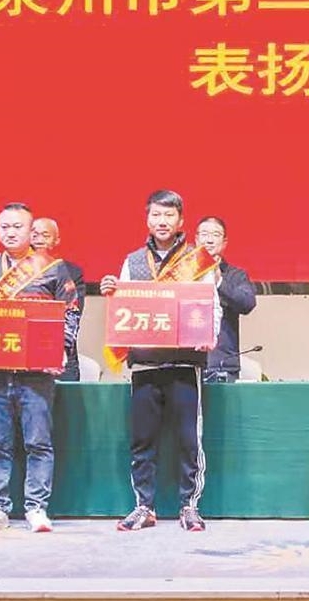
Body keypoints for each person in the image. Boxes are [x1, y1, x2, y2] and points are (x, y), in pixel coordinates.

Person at [100, 190, 221, 532]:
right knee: (143, 440)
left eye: (169, 215)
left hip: (184, 364)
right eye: (156, 215)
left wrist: (208, 336)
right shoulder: (133, 261)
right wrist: (112, 292)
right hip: (145, 364)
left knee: (188, 440)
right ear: (147, 219)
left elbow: (211, 304)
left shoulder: (197, 260)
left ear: (181, 221)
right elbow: (123, 305)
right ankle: (144, 507)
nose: (162, 221)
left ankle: (189, 506)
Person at [0, 203, 75, 533]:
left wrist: (62, 349)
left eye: (17, 227)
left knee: (38, 443)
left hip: (36, 375)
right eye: (4, 227)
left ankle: (36, 507)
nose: (10, 232)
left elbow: (70, 312)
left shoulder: (53, 269)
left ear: (32, 232)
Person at [194, 215, 259, 384]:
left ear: (224, 243)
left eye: (215, 235)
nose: (209, 240)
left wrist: (219, 282)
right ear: (196, 239)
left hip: (222, 365)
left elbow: (247, 303)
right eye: (204, 234)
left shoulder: (236, 275)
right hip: (185, 363)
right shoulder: (183, 273)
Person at [29, 217, 87, 380]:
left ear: (56, 240)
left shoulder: (71, 272)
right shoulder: (13, 271)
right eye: (34, 235)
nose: (39, 240)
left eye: (45, 235)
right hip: (21, 350)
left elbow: (73, 313)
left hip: (60, 354)